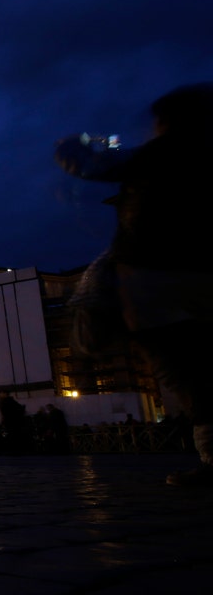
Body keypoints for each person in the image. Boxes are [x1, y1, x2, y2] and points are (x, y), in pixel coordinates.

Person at [56, 83, 213, 484]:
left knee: (184, 371)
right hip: (192, 277)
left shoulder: (156, 155)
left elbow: (81, 159)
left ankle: (212, 456)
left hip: (153, 281)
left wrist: (91, 140)